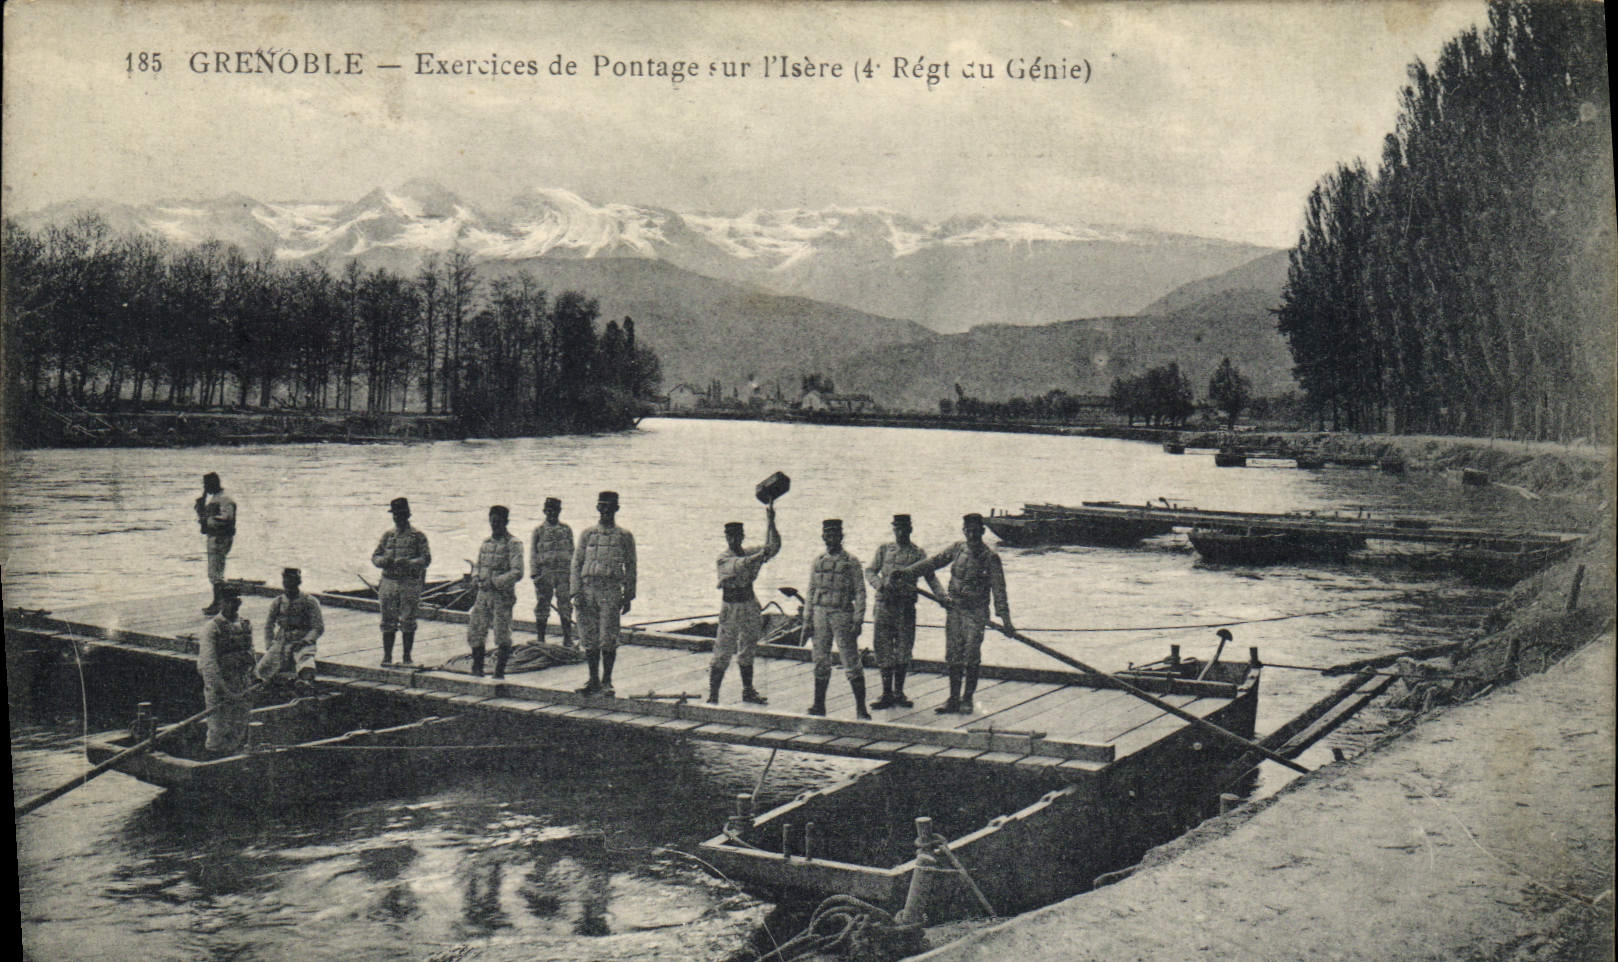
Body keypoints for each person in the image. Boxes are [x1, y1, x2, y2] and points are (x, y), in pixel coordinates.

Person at [901, 513, 1012, 714]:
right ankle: (953, 699)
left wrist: (1006, 621)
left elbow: (999, 591)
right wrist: (908, 572)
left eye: (975, 531)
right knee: (953, 655)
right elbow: (933, 562)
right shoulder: (957, 548)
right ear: (964, 531)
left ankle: (967, 699)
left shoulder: (990, 558)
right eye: (968, 531)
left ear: (982, 531)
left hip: (976, 613)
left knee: (971, 656)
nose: (971, 535)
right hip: (954, 610)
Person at [865, 514, 944, 709]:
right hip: (884, 605)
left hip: (905, 607)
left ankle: (899, 692)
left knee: (903, 648)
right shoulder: (884, 549)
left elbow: (931, 578)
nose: (900, 532)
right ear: (893, 529)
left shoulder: (918, 553)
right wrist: (879, 585)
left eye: (903, 528)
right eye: (897, 528)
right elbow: (870, 571)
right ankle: (886, 693)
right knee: (883, 648)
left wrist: (942, 597)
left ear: (910, 530)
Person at [709, 504, 782, 705]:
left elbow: (773, 547)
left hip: (749, 604)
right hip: (731, 607)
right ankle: (713, 695)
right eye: (730, 536)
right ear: (726, 537)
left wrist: (771, 522)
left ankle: (748, 691)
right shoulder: (723, 558)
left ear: (742, 536)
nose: (734, 539)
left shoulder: (749, 552)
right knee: (723, 649)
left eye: (737, 536)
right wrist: (760, 555)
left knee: (748, 647)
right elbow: (739, 565)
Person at [571, 491, 636, 697]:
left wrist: (629, 595)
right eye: (602, 506)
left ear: (616, 508)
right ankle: (593, 679)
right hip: (587, 588)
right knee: (588, 637)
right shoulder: (587, 534)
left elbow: (631, 566)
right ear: (597, 508)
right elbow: (576, 563)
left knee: (608, 637)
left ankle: (607, 681)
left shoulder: (624, 536)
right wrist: (576, 592)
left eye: (610, 506)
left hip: (610, 590)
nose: (606, 510)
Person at [804, 518, 870, 719]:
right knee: (820, 659)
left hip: (842, 613)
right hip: (820, 614)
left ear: (841, 536)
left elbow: (860, 592)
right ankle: (819, 705)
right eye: (828, 534)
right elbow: (811, 590)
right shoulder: (818, 561)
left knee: (851, 660)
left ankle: (861, 709)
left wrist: (858, 619)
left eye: (835, 534)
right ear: (823, 536)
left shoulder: (851, 562)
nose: (831, 538)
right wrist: (807, 619)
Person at [372, 496, 432, 666]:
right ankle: (387, 657)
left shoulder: (417, 536)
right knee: (387, 619)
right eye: (395, 514)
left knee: (408, 620)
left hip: (409, 582)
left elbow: (426, 559)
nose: (397, 517)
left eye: (400, 514)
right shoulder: (387, 536)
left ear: (407, 515)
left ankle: (407, 657)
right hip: (389, 581)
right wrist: (384, 561)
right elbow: (375, 556)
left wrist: (409, 563)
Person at [467, 505, 525, 678]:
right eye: (492, 521)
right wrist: (475, 577)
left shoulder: (514, 544)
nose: (495, 525)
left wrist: (494, 582)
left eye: (498, 522)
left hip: (502, 596)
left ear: (506, 522)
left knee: (502, 633)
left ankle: (499, 672)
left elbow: (517, 572)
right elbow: (478, 565)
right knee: (476, 629)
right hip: (483, 595)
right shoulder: (486, 543)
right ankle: (477, 668)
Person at [197, 584, 255, 756]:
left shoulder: (245, 625)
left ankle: (233, 759)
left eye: (235, 601)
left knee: (239, 729)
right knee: (218, 730)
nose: (232, 605)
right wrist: (221, 689)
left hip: (242, 684)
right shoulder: (212, 628)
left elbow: (251, 653)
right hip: (221, 687)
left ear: (239, 602)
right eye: (228, 601)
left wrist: (255, 677)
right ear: (221, 603)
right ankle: (214, 759)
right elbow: (208, 663)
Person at [257, 567, 325, 696]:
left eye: (292, 581)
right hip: (282, 640)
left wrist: (306, 640)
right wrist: (269, 644)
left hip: (302, 639)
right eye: (286, 581)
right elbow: (269, 625)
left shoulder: (310, 601)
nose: (289, 585)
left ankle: (305, 683)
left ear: (298, 582)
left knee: (306, 661)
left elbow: (318, 627)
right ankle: (260, 687)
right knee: (263, 667)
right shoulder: (278, 602)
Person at [529, 497, 575, 647]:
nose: (552, 514)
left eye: (554, 510)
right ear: (544, 512)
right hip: (545, 572)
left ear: (559, 511)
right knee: (542, 604)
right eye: (548, 511)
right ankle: (541, 638)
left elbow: (573, 551)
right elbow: (533, 553)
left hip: (563, 572)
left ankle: (567, 638)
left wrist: (574, 573)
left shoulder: (566, 529)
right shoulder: (539, 530)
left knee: (565, 605)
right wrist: (535, 574)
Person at [196, 472, 237, 615]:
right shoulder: (217, 498)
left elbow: (226, 518)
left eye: (206, 484)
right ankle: (220, 602)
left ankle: (219, 603)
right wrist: (201, 511)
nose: (205, 487)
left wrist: (206, 519)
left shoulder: (224, 499)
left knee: (216, 573)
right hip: (215, 537)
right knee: (215, 572)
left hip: (220, 538)